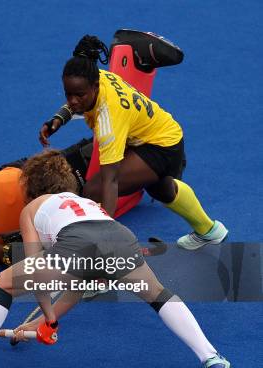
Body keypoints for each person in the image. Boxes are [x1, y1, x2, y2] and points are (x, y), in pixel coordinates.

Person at [0, 149, 230, 368]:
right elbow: (77, 284)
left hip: (78, 242)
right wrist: (42, 321)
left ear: (30, 186)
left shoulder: (32, 208)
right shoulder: (83, 202)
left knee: (4, 282)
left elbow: (34, 271)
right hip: (119, 237)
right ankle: (211, 357)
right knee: (157, 293)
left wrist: (49, 318)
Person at [39, 35, 227, 250]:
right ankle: (210, 231)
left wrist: (102, 240)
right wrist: (59, 118)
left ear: (94, 86)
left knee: (94, 189)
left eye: (79, 95)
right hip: (161, 133)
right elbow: (76, 98)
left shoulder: (108, 118)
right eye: (68, 94)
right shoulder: (93, 76)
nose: (72, 101)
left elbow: (111, 182)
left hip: (161, 146)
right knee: (161, 190)